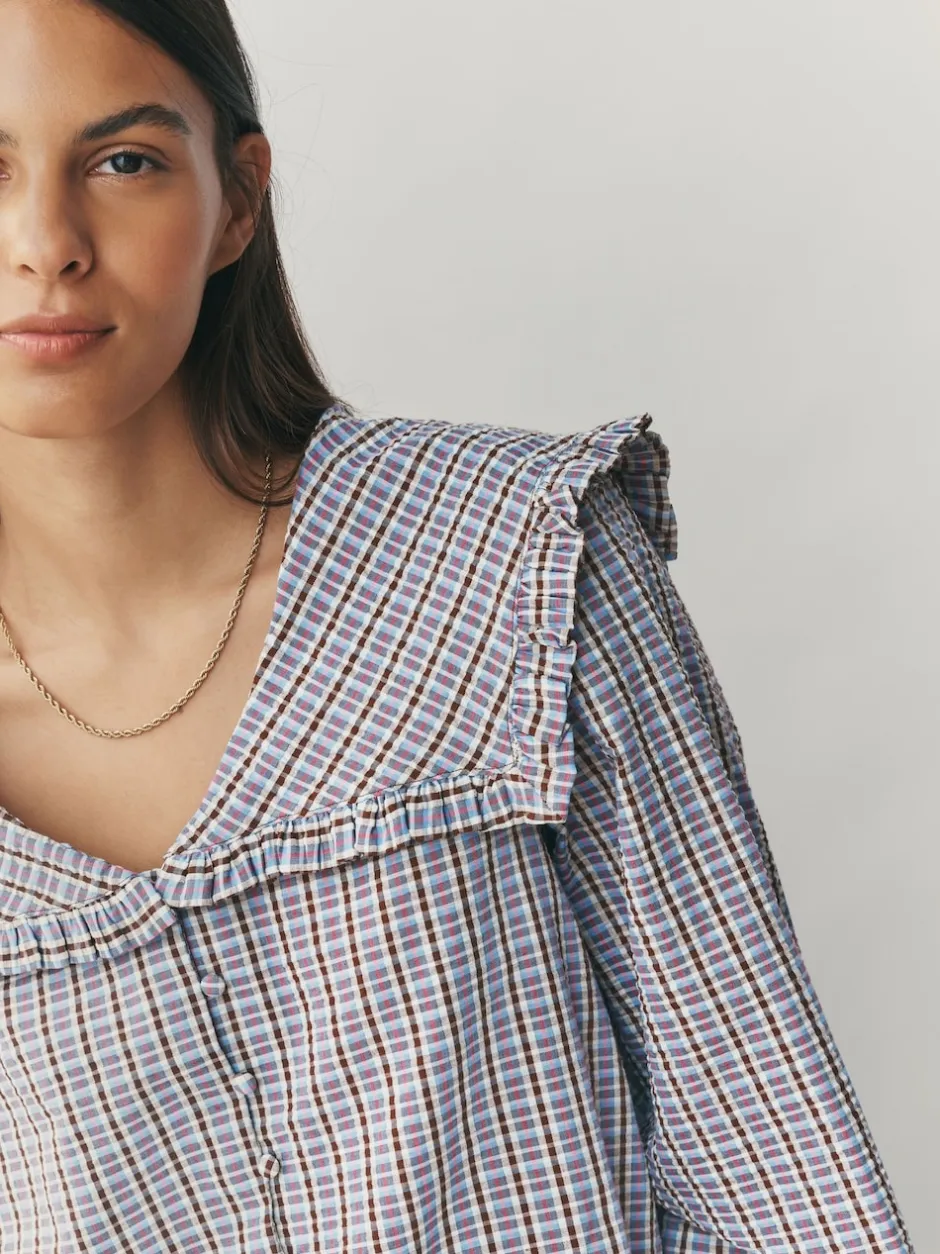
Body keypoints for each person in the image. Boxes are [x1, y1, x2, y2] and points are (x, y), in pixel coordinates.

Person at [0, 1, 914, 1251]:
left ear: (238, 200)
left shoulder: (521, 562)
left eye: (123, 160)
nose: (47, 244)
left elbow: (775, 1162)